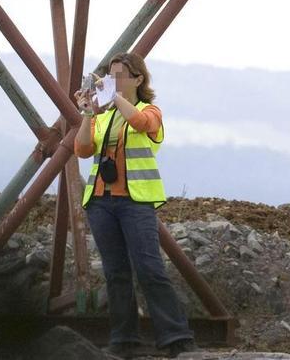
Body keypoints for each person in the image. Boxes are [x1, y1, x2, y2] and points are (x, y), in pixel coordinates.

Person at [73, 52, 198, 359]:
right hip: (101, 202)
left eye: (120, 75)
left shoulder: (149, 110)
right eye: (110, 75)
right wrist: (89, 114)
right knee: (116, 272)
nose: (113, 80)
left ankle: (176, 337)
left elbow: (142, 124)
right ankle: (124, 340)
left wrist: (113, 97)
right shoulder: (102, 116)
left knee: (149, 268)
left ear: (138, 79)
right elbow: (82, 149)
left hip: (136, 201)